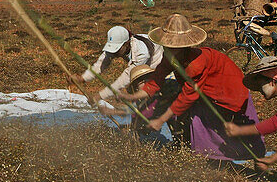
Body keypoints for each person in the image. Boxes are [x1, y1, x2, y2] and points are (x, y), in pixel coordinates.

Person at [136, 14, 266, 165]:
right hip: (208, 92)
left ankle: (259, 158)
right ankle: (215, 159)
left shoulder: (195, 64)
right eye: (167, 46)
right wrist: (135, 95)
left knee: (236, 125)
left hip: (229, 89)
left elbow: (187, 97)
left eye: (172, 47)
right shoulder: (170, 55)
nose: (168, 49)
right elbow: (158, 76)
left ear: (184, 47)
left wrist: (160, 119)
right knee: (204, 125)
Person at [96, 64, 179, 148]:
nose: (146, 83)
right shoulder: (141, 102)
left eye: (148, 80)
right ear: (136, 87)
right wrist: (127, 127)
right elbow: (132, 110)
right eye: (141, 82)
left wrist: (113, 111)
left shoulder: (163, 91)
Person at [74, 25, 164, 103]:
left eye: (117, 49)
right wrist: (82, 78)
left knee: (147, 94)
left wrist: (100, 95)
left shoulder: (141, 53)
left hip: (157, 66)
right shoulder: (119, 48)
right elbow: (101, 64)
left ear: (127, 43)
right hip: (141, 69)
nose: (114, 53)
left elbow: (125, 78)